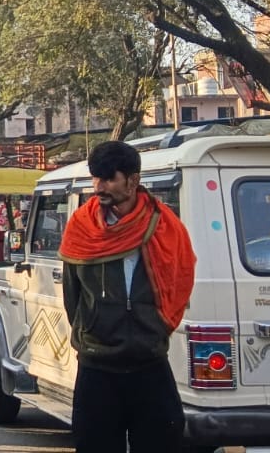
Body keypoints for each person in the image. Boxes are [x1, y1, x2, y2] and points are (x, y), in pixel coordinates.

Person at [60, 141, 196, 453]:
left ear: (132, 181)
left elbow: (181, 280)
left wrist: (156, 327)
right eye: (95, 178)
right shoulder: (81, 227)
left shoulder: (165, 226)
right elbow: (74, 296)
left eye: (108, 178)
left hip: (150, 364)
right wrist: (92, 327)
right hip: (97, 367)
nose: (99, 187)